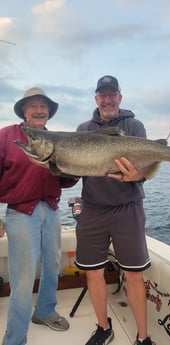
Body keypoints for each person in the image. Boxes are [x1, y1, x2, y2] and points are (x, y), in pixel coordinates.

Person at [75, 76, 155, 345]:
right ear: (96, 98)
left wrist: (138, 176)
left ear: (120, 97)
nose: (107, 100)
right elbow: (74, 170)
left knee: (133, 273)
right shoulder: (83, 129)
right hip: (93, 208)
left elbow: (143, 169)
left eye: (112, 94)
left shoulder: (135, 125)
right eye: (102, 95)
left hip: (128, 208)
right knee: (93, 271)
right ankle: (103, 327)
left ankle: (143, 337)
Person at [0, 87, 77, 345]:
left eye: (43, 106)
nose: (39, 110)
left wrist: (77, 168)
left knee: (53, 265)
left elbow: (65, 180)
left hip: (52, 210)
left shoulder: (57, 138)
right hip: (20, 212)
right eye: (32, 105)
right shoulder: (7, 136)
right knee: (22, 280)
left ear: (49, 112)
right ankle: (14, 339)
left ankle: (44, 311)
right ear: (23, 110)